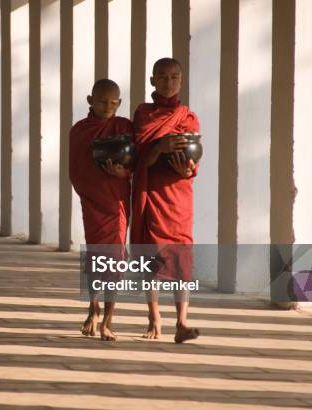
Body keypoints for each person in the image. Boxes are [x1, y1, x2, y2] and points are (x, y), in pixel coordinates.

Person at [131, 57, 200, 343]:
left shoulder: (188, 116)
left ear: (181, 81)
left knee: (182, 256)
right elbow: (139, 159)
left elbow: (193, 160)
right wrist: (160, 146)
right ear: (152, 81)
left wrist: (188, 168)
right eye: (161, 77)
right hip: (153, 192)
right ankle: (154, 318)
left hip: (178, 194)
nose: (168, 82)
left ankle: (182, 322)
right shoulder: (144, 115)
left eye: (173, 77)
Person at [69, 79, 132, 342]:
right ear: (90, 100)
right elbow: (76, 169)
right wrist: (89, 191)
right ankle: (92, 309)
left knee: (114, 262)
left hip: (116, 201)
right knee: (96, 259)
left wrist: (122, 172)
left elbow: (136, 161)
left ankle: (108, 320)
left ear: (120, 103)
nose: (108, 107)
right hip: (93, 202)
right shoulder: (80, 130)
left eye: (114, 103)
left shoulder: (124, 127)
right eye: (102, 101)